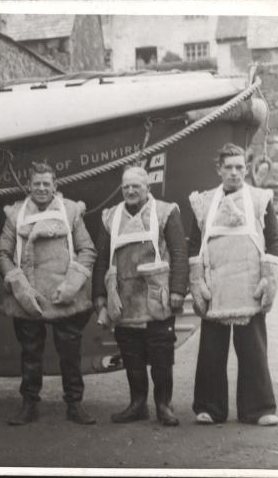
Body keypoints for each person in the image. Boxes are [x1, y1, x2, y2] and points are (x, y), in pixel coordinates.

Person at [0, 162, 98, 426]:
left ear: (55, 186)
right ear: (29, 186)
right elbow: (3, 254)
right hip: (29, 298)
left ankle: (75, 404)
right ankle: (29, 405)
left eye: (46, 184)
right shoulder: (15, 214)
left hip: (64, 295)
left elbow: (87, 250)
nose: (41, 188)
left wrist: (72, 284)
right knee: (30, 354)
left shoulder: (71, 211)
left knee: (70, 355)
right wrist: (18, 285)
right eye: (36, 184)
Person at [188, 143, 278, 426]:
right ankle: (209, 408)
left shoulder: (259, 199)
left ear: (246, 168)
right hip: (215, 284)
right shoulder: (204, 202)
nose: (234, 173)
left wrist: (269, 277)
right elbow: (196, 243)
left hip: (249, 284)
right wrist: (196, 280)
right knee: (211, 350)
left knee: (253, 348)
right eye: (228, 167)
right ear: (219, 170)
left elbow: (274, 241)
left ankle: (259, 409)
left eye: (239, 167)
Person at [92, 166, 188, 427]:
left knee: (161, 357)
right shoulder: (110, 216)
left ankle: (163, 405)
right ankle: (137, 405)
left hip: (158, 296)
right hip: (123, 298)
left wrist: (178, 290)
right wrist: (100, 295)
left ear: (148, 187)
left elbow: (179, 253)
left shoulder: (167, 212)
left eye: (136, 186)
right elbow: (102, 258)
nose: (131, 191)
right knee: (131, 355)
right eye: (126, 187)